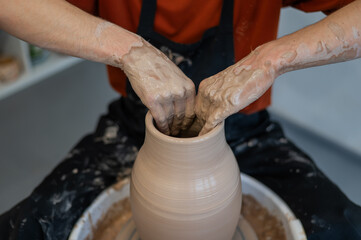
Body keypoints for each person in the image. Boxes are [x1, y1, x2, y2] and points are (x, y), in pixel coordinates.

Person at [0, 0, 361, 239]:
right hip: (134, 131)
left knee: (341, 226)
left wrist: (272, 59)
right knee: (26, 228)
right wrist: (126, 48)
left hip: (242, 132)